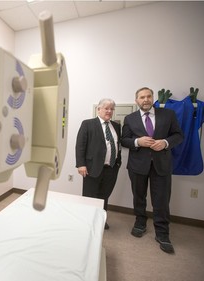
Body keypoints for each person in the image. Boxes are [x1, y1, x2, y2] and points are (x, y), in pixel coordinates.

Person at [121, 87, 183, 254]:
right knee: (139, 197)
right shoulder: (130, 118)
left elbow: (178, 135)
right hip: (137, 166)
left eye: (148, 96)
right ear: (137, 101)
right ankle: (140, 223)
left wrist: (165, 143)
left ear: (152, 98)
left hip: (161, 165)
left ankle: (162, 234)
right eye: (142, 97)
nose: (146, 100)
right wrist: (137, 142)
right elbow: (124, 140)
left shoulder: (168, 115)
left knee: (161, 200)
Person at [76, 98, 122, 229]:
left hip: (111, 169)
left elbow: (117, 146)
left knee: (104, 196)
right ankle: (87, 222)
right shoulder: (88, 124)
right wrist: (81, 164)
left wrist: (118, 163)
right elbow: (80, 146)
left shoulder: (116, 126)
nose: (109, 111)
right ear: (99, 109)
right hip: (92, 168)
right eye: (106, 108)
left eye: (112, 109)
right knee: (90, 197)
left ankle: (100, 219)